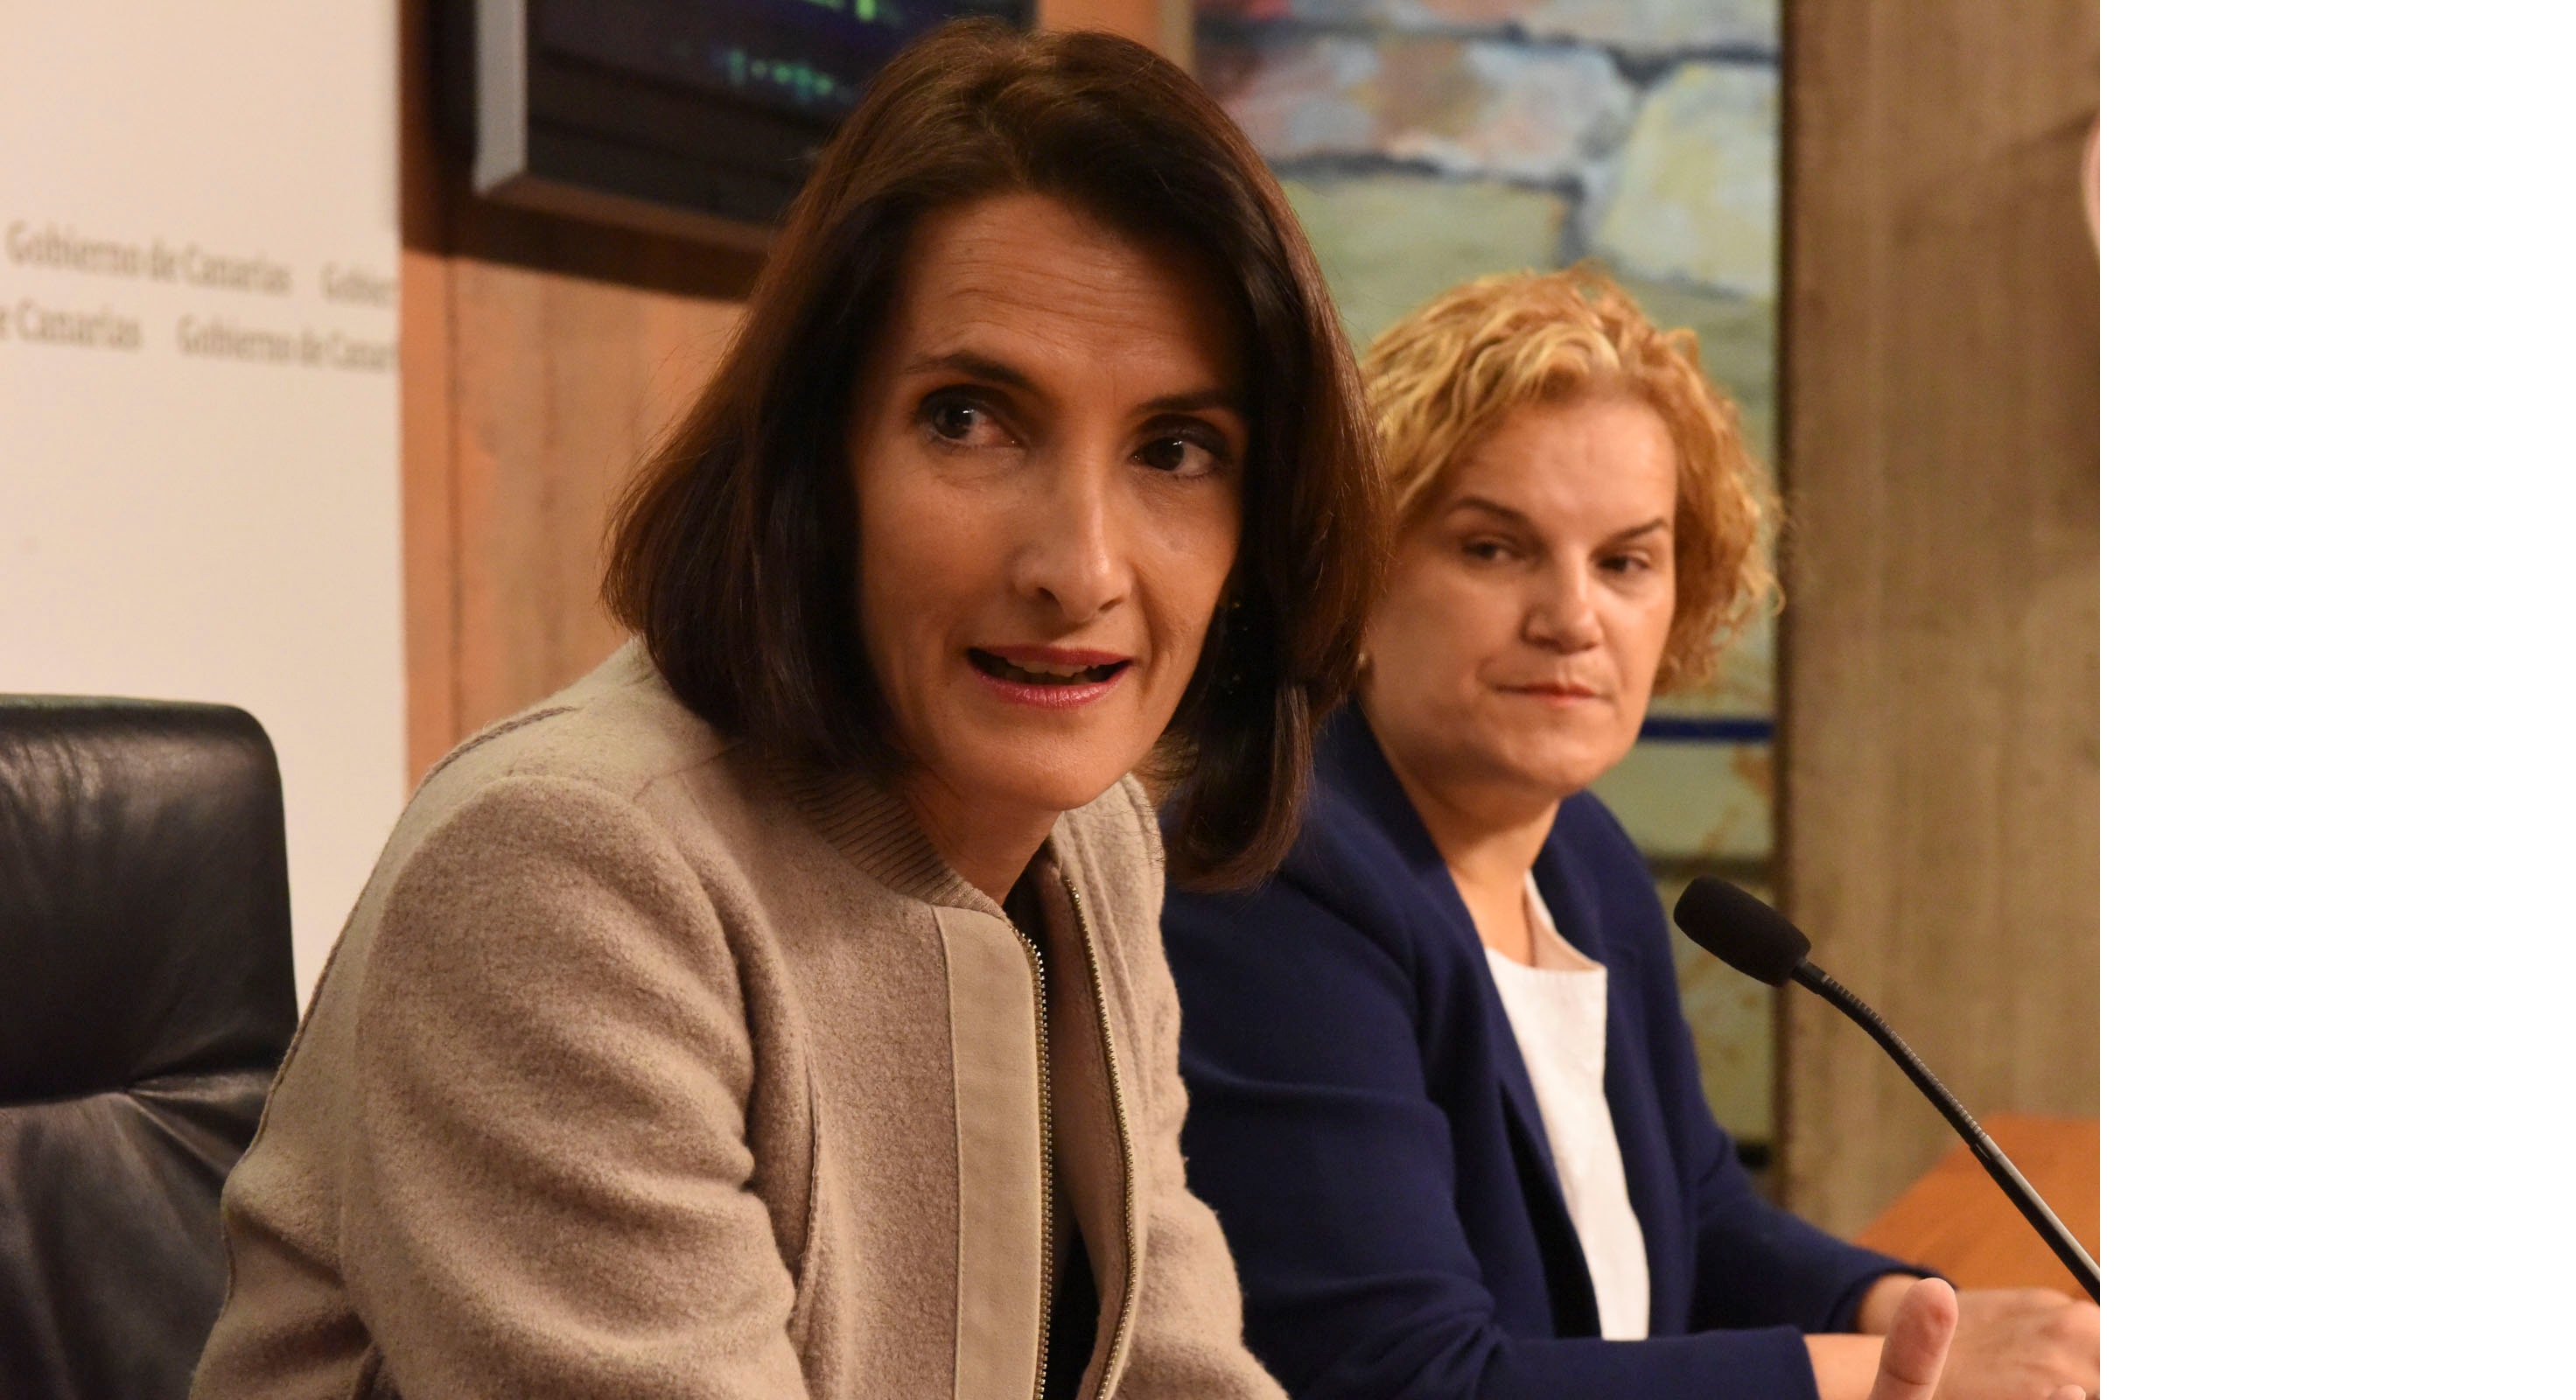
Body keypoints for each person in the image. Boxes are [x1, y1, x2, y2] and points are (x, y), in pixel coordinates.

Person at [188, 23, 1387, 1400]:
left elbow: (1175, 1367)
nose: (1081, 567)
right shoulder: (568, 873)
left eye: (1175, 449)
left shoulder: (1096, 836)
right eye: (970, 420)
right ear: (821, 458)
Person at [1159, 267, 2102, 1399]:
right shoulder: (1271, 872)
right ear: (1358, 570)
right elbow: (1412, 1382)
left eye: (1625, 563)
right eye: (1493, 548)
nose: (1573, 618)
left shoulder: (1583, 858)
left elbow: (1696, 1215)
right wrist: (1887, 1378)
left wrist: (1902, 1313)